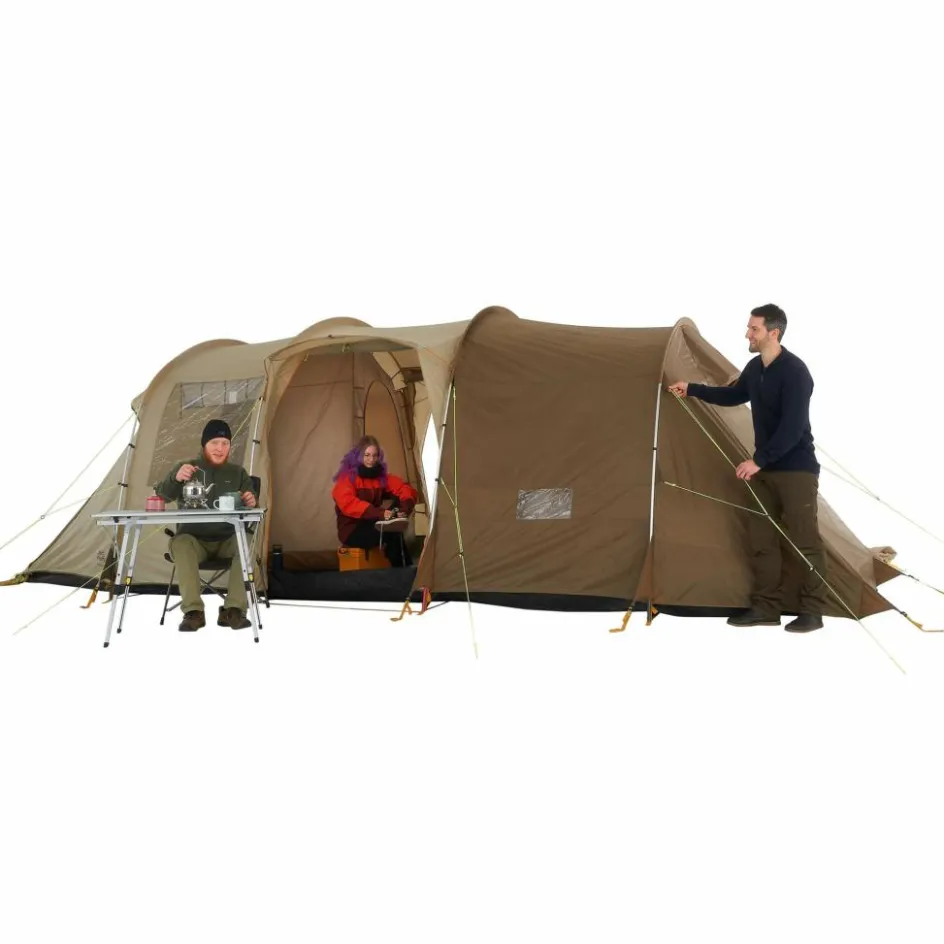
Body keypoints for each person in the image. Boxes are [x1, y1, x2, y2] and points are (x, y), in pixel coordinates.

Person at [668, 304, 827, 633]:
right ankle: (767, 608)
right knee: (762, 541)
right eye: (748, 328)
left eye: (754, 329)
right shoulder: (755, 368)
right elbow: (734, 395)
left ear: (773, 332)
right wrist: (692, 388)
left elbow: (793, 427)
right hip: (765, 471)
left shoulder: (796, 372)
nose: (747, 334)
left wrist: (758, 461)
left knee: (804, 541)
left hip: (796, 470)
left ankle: (813, 611)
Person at [154, 419, 258, 632]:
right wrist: (175, 478)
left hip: (227, 540)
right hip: (194, 542)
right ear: (204, 444)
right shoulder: (186, 468)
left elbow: (251, 502)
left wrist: (251, 500)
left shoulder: (238, 473)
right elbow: (163, 496)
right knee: (180, 542)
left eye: (225, 443)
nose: (220, 448)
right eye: (215, 443)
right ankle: (193, 612)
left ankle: (233, 610)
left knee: (247, 540)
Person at [331, 435, 418, 567]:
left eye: (374, 455)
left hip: (375, 522)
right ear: (359, 456)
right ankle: (405, 571)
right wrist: (381, 514)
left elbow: (404, 488)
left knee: (395, 522)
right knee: (392, 533)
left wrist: (404, 509)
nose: (371, 460)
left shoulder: (380, 477)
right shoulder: (346, 479)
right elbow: (349, 503)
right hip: (352, 530)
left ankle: (405, 571)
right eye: (367, 455)